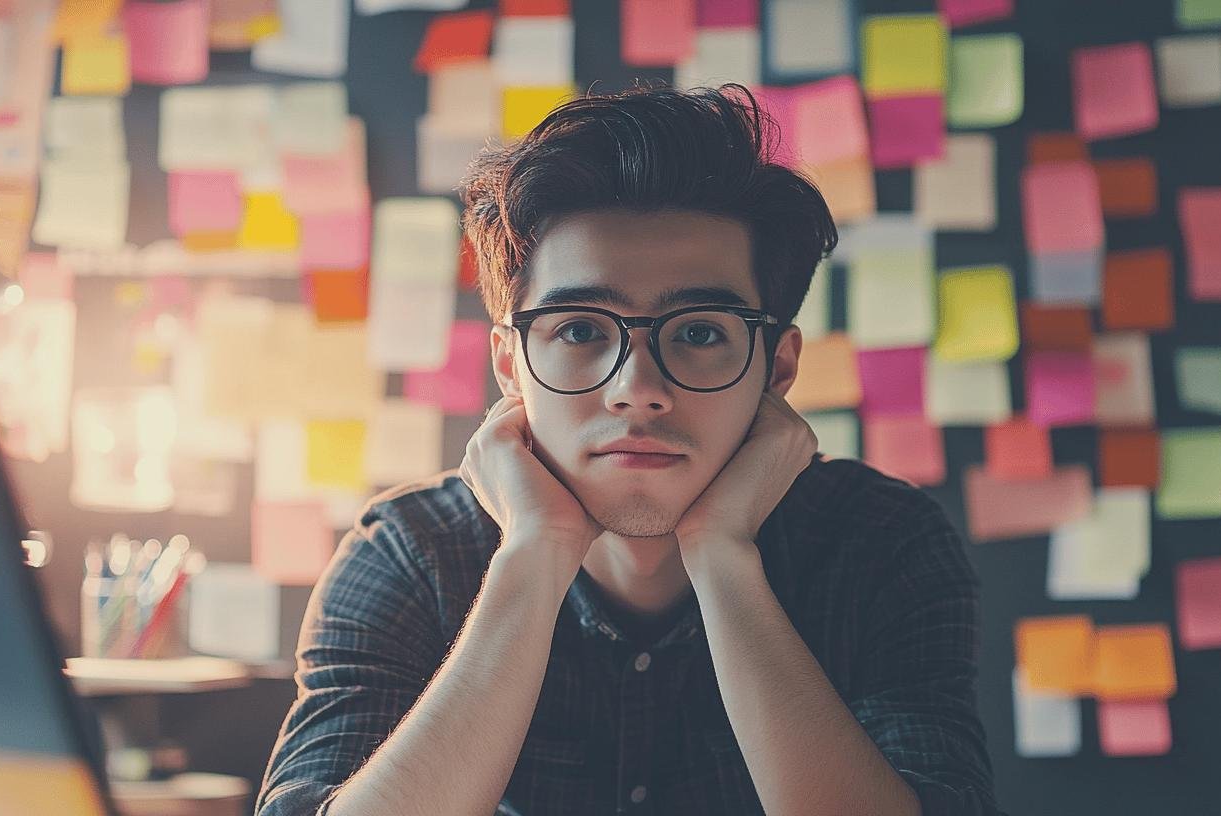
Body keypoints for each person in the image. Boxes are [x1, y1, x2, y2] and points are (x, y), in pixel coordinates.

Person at [255, 83, 1002, 816]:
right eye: (580, 330)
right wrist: (534, 553)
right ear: (511, 365)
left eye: (701, 332)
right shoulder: (409, 555)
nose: (636, 390)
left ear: (777, 368)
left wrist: (723, 554)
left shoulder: (883, 544)